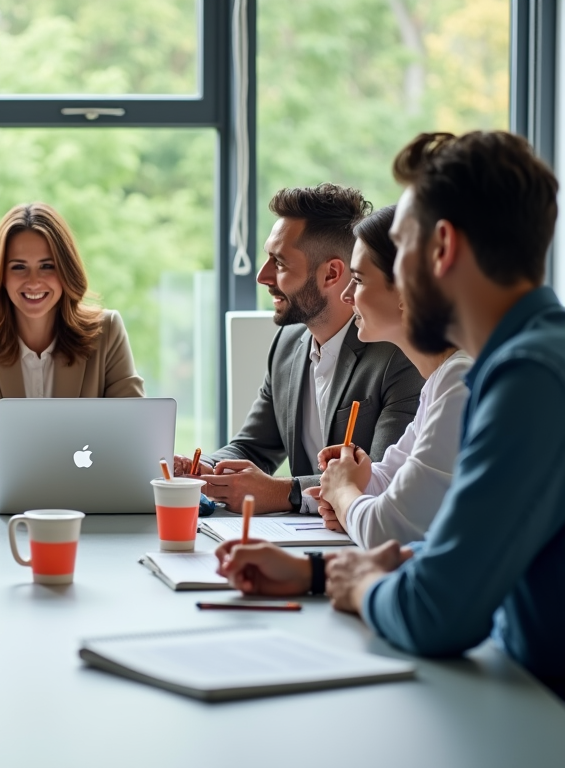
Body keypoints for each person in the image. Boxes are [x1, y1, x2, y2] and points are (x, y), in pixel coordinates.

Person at [217, 131, 565, 700]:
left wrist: (358, 586)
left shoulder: (529, 379)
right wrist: (317, 573)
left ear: (441, 248)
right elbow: (459, 553)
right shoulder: (522, 361)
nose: (364, 290)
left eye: (398, 249)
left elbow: (438, 612)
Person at [177, 183, 424, 513]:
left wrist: (286, 492)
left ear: (331, 274)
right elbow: (253, 447)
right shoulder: (288, 343)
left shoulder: (400, 354)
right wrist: (202, 470)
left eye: (279, 263)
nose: (262, 276)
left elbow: (386, 475)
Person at [0, 202, 145, 485]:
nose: (34, 281)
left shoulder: (106, 331)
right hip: (6, 513)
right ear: (0, 275)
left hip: (89, 504)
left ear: (66, 270)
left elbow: (133, 440)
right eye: (19, 267)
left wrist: (33, 464)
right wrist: (71, 463)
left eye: (47, 266)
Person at [305, 205, 472, 548]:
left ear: (407, 290)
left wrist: (344, 493)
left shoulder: (461, 381)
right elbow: (393, 477)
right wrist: (359, 478)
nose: (347, 295)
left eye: (360, 280)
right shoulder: (441, 380)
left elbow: (388, 530)